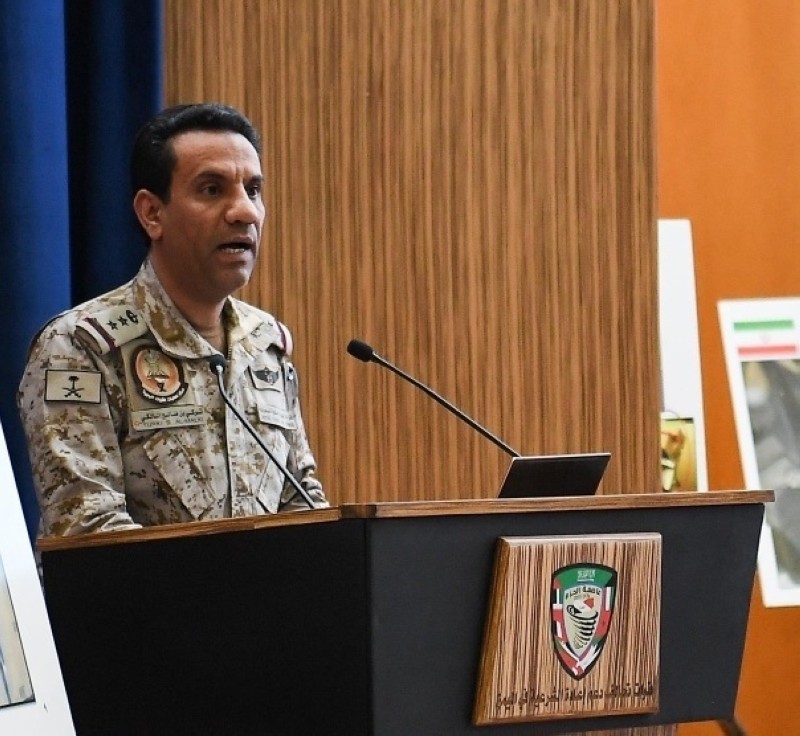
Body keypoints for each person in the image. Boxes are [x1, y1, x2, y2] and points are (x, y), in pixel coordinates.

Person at [17, 103, 328, 537]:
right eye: (212, 190)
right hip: (143, 585)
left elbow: (302, 504)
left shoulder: (265, 343)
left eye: (253, 190)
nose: (245, 212)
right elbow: (89, 530)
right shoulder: (80, 347)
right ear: (152, 213)